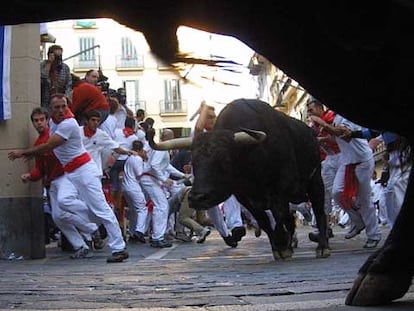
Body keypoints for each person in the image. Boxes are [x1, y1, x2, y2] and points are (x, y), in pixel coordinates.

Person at [8, 94, 128, 263]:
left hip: (85, 170)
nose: (61, 110)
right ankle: (92, 224)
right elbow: (47, 147)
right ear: (51, 110)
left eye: (64, 106)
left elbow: (50, 145)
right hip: (70, 173)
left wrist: (24, 152)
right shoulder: (53, 123)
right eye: (57, 107)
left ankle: (119, 248)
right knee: (64, 202)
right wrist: (35, 155)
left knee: (101, 208)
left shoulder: (68, 123)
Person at [16, 107, 105, 257]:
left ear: (47, 120)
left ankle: (92, 218)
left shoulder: (56, 135)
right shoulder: (40, 141)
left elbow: (53, 148)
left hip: (65, 176)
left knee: (65, 201)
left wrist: (30, 153)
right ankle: (83, 243)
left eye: (42, 120)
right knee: (58, 217)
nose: (39, 123)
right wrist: (30, 176)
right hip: (53, 181)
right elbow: (40, 169)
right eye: (36, 121)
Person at [310, 110, 382, 248]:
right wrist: (323, 140)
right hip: (347, 161)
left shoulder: (347, 115)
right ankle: (358, 222)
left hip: (362, 160)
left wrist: (322, 123)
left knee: (364, 199)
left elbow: (345, 135)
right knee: (337, 193)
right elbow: (336, 139)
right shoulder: (337, 117)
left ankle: (374, 235)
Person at [343, 128, 411, 228]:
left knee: (398, 186)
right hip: (395, 154)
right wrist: (352, 134)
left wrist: (352, 134)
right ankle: (396, 229)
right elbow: (373, 131)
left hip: (403, 151)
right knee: (390, 193)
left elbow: (374, 131)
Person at [306, 97, 341, 242]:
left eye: (311, 110)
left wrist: (321, 138)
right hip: (326, 160)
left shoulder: (331, 117)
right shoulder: (313, 126)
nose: (309, 113)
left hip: (342, 156)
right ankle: (324, 229)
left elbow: (339, 136)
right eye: (308, 111)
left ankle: (358, 220)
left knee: (339, 192)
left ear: (320, 108)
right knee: (325, 195)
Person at [121, 140, 149, 243]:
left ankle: (132, 232)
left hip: (126, 187)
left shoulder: (129, 158)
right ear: (141, 150)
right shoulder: (137, 159)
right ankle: (139, 231)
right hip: (134, 187)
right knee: (142, 209)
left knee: (133, 211)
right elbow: (139, 174)